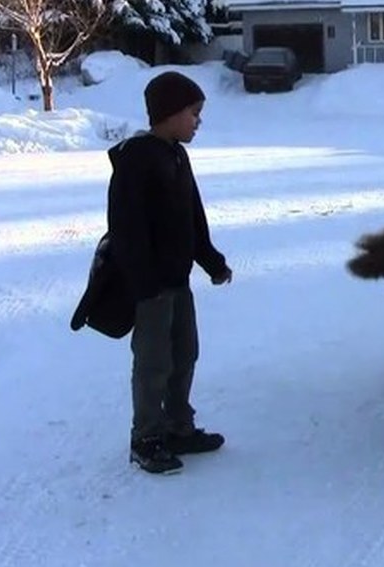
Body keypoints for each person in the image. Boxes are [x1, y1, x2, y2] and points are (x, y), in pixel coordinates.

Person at [106, 71, 233, 474]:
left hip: (178, 282)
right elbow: (125, 227)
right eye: (193, 113)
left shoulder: (178, 155)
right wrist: (143, 282)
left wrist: (210, 260)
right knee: (153, 363)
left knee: (184, 354)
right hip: (151, 286)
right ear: (169, 113)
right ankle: (145, 437)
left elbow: (193, 218)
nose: (198, 121)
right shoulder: (136, 159)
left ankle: (179, 425)